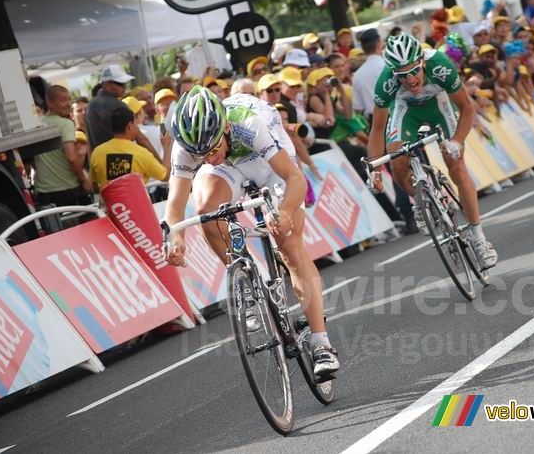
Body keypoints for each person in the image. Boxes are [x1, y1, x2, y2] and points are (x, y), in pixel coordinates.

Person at [164, 87, 339, 377]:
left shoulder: (247, 123)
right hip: (231, 167)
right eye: (200, 154)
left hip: (266, 163)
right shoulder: (188, 145)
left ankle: (322, 343)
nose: (207, 157)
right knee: (207, 211)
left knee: (289, 245)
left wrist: (283, 213)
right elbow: (176, 201)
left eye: (211, 149)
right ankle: (246, 281)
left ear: (225, 128)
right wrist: (176, 236)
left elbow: (294, 178)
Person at [367, 33, 498, 269]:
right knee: (397, 162)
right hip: (406, 111)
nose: (410, 80)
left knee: (456, 166)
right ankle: (421, 201)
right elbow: (377, 130)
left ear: (422, 62)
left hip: (438, 105)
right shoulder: (385, 82)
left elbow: (467, 109)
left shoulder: (441, 66)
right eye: (402, 75)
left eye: (414, 71)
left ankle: (479, 238)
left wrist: (457, 141)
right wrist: (374, 170)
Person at [89, 104, 172, 191]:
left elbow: (94, 185)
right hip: (135, 203)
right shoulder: (140, 153)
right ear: (130, 126)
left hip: (110, 204)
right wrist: (166, 146)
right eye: (136, 125)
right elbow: (165, 176)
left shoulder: (97, 153)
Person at [34, 85, 92, 206]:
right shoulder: (65, 124)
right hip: (68, 190)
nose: (68, 103)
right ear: (50, 102)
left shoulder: (37, 124)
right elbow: (72, 158)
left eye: (69, 99)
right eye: (63, 100)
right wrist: (84, 180)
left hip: (43, 193)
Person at [86, 65, 159, 158]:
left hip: (99, 164)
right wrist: (160, 164)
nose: (124, 87)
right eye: (120, 83)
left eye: (125, 83)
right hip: (121, 163)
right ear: (107, 85)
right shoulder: (117, 105)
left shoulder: (90, 105)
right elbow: (141, 139)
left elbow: (89, 142)